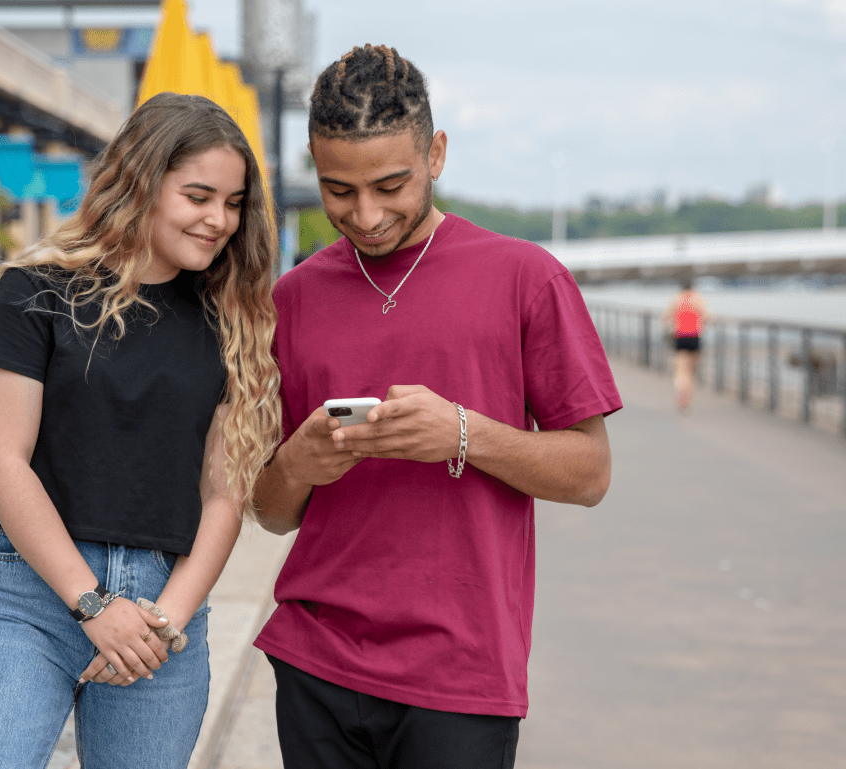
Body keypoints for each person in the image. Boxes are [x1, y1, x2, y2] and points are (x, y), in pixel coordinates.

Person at [251, 45, 624, 768]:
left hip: (462, 672)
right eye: (338, 190)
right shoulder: (289, 301)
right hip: (315, 659)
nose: (366, 214)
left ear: (437, 154)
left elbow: (590, 474)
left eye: (391, 184)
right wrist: (299, 460)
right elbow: (272, 510)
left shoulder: (527, 277)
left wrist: (462, 432)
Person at [0, 93, 281, 768]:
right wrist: (92, 602)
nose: (219, 220)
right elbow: (1, 462)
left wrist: (166, 622)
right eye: (198, 196)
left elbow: (225, 494)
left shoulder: (233, 319)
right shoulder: (31, 293)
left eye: (233, 202)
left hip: (163, 616)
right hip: (29, 598)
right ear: (142, 182)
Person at [663, 278, 709, 411]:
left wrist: (673, 327)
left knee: (680, 371)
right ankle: (687, 399)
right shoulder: (697, 298)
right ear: (692, 287)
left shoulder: (677, 299)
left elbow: (665, 318)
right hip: (694, 337)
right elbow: (706, 317)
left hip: (680, 337)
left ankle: (680, 393)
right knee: (691, 372)